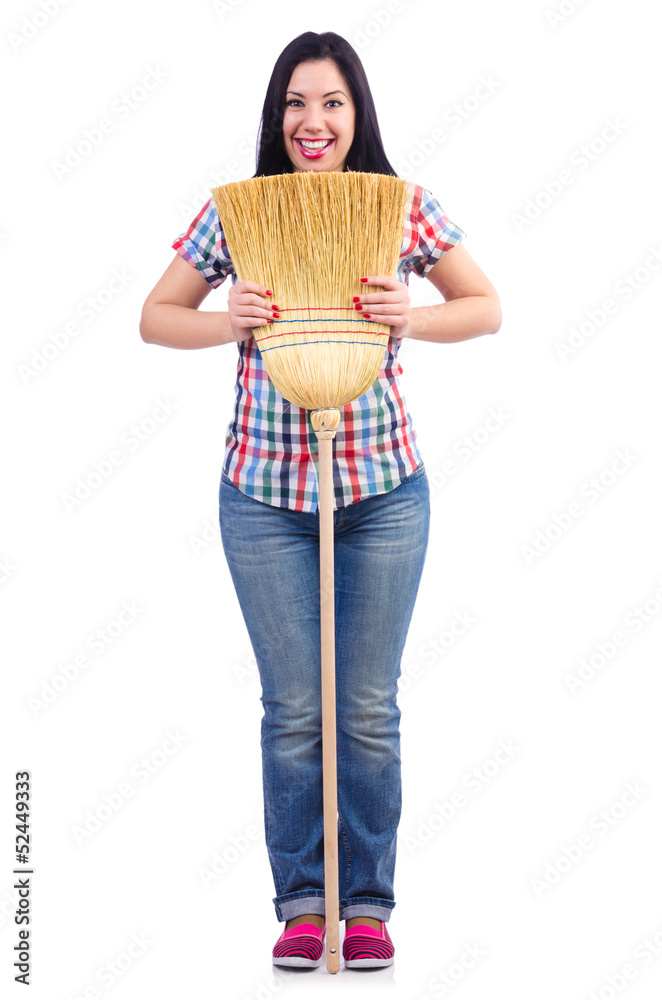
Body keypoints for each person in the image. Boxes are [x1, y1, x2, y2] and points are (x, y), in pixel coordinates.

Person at [140, 30, 501, 970]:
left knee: (369, 707)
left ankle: (369, 906)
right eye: (297, 103)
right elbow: (155, 316)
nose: (313, 121)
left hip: (382, 489)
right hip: (262, 495)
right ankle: (305, 904)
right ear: (278, 115)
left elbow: (485, 304)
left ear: (356, 113)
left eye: (332, 103)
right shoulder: (239, 215)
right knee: (296, 707)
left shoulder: (398, 208)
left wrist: (408, 316)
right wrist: (229, 322)